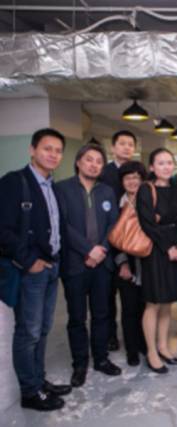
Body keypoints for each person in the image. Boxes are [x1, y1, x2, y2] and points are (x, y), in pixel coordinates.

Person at [0, 128, 71, 411]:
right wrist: (29, 261)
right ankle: (30, 393)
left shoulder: (53, 187)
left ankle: (39, 381)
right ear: (32, 150)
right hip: (31, 270)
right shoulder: (14, 182)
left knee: (42, 329)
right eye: (47, 148)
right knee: (28, 332)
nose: (53, 155)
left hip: (52, 267)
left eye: (58, 150)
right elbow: (3, 229)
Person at [57, 144, 121, 387]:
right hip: (75, 264)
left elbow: (114, 225)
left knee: (102, 314)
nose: (94, 165)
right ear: (78, 162)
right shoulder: (62, 188)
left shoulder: (107, 191)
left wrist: (101, 249)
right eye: (89, 160)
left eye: (98, 161)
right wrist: (87, 250)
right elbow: (62, 225)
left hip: (102, 264)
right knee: (77, 317)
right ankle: (80, 364)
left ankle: (101, 359)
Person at [137, 148, 177, 374]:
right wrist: (167, 247)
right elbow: (147, 224)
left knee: (167, 302)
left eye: (169, 162)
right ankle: (151, 352)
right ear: (152, 167)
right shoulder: (146, 189)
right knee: (153, 303)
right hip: (156, 251)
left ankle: (163, 346)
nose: (166, 167)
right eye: (161, 163)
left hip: (175, 249)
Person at [100, 130, 137, 352]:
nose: (126, 147)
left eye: (130, 144)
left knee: (131, 293)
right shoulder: (104, 173)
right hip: (107, 239)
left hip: (131, 241)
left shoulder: (137, 171)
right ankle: (111, 335)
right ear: (113, 147)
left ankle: (133, 336)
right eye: (122, 143)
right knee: (107, 294)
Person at [113, 161, 148, 367]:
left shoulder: (148, 201)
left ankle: (144, 343)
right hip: (127, 265)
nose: (132, 181)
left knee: (146, 307)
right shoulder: (117, 205)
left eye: (136, 177)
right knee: (129, 309)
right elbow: (113, 237)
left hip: (147, 265)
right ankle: (132, 349)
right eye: (128, 178)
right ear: (122, 181)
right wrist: (123, 264)